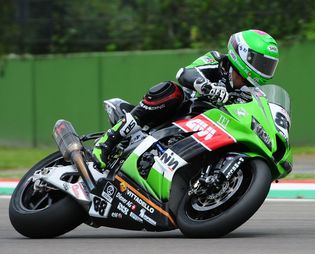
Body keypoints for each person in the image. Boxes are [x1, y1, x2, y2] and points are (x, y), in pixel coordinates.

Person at [92, 29, 280, 170]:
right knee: (172, 90)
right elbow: (184, 74)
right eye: (262, 63)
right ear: (244, 54)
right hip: (179, 114)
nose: (265, 69)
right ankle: (107, 142)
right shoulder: (216, 61)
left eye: (269, 66)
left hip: (209, 132)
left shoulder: (252, 92)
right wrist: (208, 87)